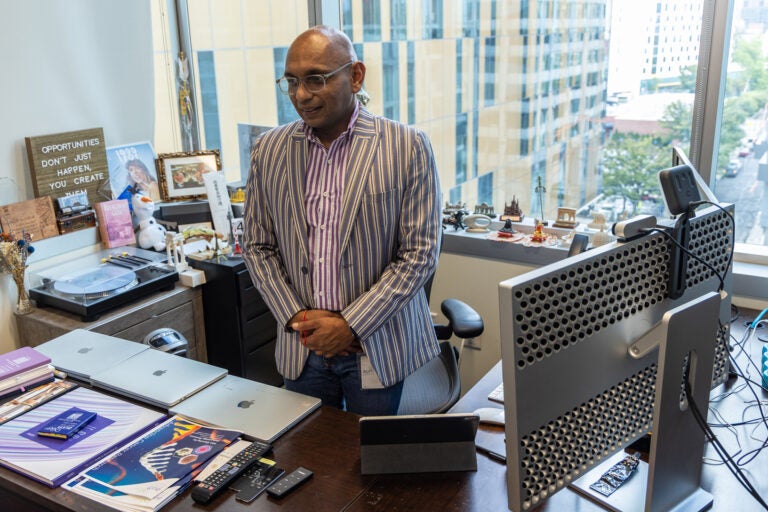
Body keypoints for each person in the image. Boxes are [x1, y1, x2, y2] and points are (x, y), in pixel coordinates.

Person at [242, 25, 442, 416]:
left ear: (355, 75)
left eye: (316, 79)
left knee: (371, 463)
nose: (301, 95)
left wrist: (349, 325)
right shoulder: (269, 150)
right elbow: (256, 245)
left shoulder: (406, 146)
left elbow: (419, 254)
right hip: (303, 347)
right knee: (306, 456)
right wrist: (297, 319)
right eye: (292, 82)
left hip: (375, 346)